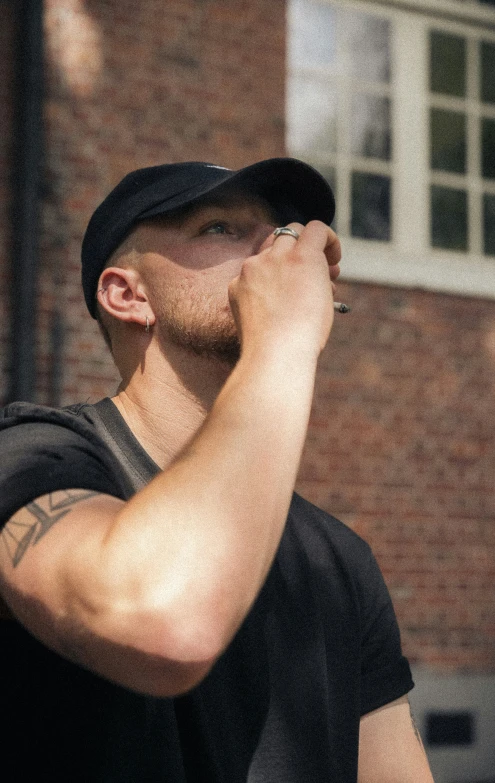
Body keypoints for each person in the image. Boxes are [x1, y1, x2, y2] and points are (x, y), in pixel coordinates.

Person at [0, 158, 434, 782]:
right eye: (220, 229)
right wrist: (282, 338)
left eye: (280, 231)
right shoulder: (33, 458)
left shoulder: (339, 560)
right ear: (128, 295)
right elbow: (166, 619)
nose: (273, 251)